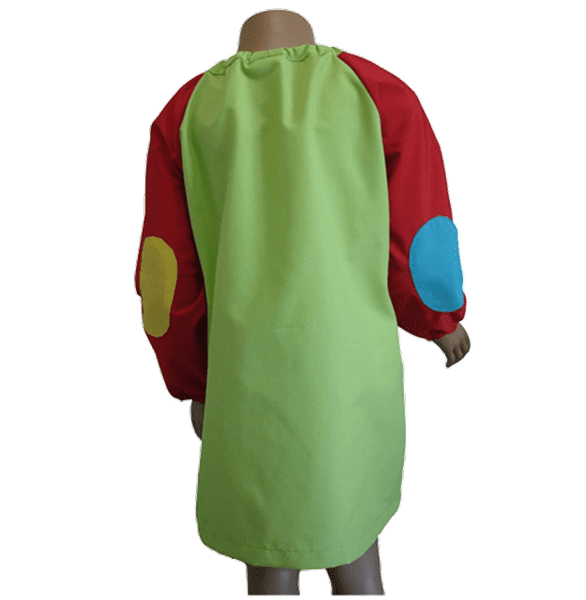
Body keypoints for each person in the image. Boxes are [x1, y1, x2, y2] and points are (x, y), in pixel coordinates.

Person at [136, 9, 471, 595]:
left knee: (268, 553)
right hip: (350, 370)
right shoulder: (377, 93)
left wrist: (192, 379)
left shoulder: (185, 113)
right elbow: (421, 226)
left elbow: (166, 269)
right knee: (354, 536)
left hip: (245, 379)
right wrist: (439, 318)